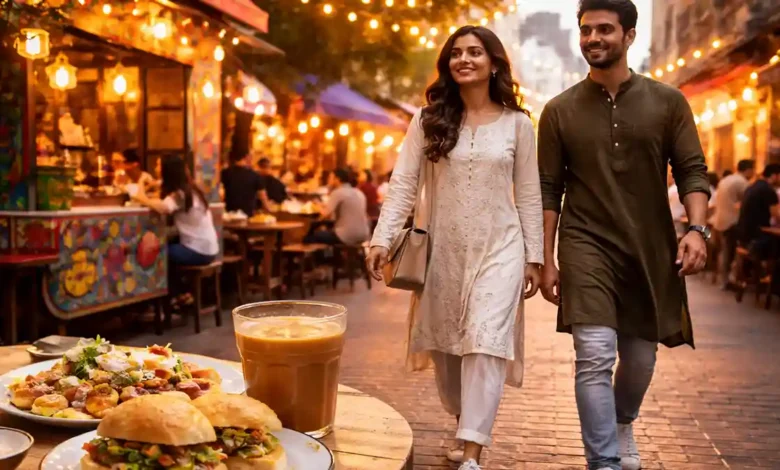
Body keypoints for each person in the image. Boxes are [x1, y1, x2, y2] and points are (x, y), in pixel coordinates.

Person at [537, 2, 710, 470]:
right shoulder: (559, 110)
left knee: (640, 358)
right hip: (585, 243)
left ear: (629, 35)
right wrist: (547, 258)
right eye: (586, 29)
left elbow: (692, 169)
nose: (593, 38)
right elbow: (549, 189)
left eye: (605, 29)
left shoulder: (668, 102)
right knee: (594, 354)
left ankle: (622, 421)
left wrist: (697, 230)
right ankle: (604, 462)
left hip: (648, 247)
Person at [366, 26, 543, 470]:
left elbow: (529, 193)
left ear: (494, 63)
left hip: (501, 248)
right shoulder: (429, 121)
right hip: (442, 251)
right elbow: (403, 184)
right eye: (457, 53)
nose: (464, 59)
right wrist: (382, 237)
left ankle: (472, 452)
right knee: (447, 349)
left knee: (485, 341)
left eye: (475, 52)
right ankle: (464, 422)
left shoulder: (518, 124)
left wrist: (535, 256)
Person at [133, 155, 219, 266]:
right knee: (162, 245)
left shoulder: (180, 194)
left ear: (168, 170)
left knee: (153, 251)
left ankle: (170, 278)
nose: (155, 168)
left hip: (197, 251)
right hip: (208, 249)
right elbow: (159, 190)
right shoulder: (189, 190)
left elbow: (162, 207)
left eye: (158, 165)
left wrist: (141, 182)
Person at [712, 160, 754, 289]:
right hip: (733, 221)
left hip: (719, 220)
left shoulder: (726, 180)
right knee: (731, 253)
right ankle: (729, 280)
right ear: (748, 170)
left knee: (724, 252)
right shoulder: (742, 183)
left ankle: (724, 280)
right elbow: (747, 203)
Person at [305, 168, 370, 245]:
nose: (328, 180)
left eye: (330, 178)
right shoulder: (359, 192)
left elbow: (325, 214)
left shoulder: (338, 192)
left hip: (346, 235)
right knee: (327, 231)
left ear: (337, 179)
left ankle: (327, 253)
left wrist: (314, 207)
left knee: (312, 237)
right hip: (364, 234)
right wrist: (321, 205)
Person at [736, 164, 780, 260]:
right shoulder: (768, 190)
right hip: (757, 237)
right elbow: (776, 215)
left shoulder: (751, 187)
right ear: (774, 175)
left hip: (744, 235)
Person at [220, 149, 270, 216]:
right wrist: (268, 210)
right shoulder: (255, 176)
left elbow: (220, 191)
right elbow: (263, 196)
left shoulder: (225, 173)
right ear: (247, 157)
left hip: (229, 215)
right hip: (248, 215)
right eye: (251, 157)